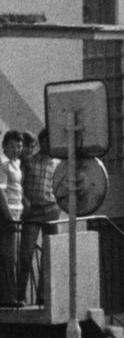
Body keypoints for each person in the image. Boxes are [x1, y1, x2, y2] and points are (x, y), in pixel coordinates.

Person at [17, 130, 61, 307]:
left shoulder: (57, 163)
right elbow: (19, 184)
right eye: (47, 142)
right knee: (26, 253)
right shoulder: (29, 161)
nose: (49, 146)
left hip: (51, 209)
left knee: (49, 255)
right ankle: (20, 295)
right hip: (33, 211)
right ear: (42, 142)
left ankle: (43, 295)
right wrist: (25, 201)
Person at [0, 130, 25, 307]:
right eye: (13, 146)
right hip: (7, 215)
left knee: (12, 256)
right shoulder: (3, 164)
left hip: (17, 213)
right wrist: (8, 216)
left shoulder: (16, 163)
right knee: (8, 257)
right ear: (5, 146)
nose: (17, 149)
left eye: (19, 146)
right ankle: (9, 297)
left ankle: (10, 295)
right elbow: (1, 191)